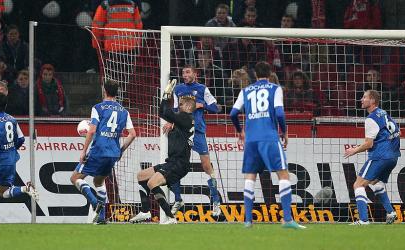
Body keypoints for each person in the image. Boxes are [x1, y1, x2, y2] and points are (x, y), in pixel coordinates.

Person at [230, 61, 305, 229]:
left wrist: (239, 130)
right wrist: (284, 131)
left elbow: (233, 113)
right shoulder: (275, 88)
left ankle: (248, 220)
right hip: (269, 137)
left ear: (255, 74)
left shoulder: (245, 90)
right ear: (270, 74)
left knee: (250, 177)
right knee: (283, 175)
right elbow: (279, 112)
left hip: (251, 140)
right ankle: (287, 219)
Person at [70, 79, 137, 224]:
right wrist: (120, 150)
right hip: (113, 153)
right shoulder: (124, 111)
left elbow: (92, 130)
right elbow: (132, 134)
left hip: (98, 150)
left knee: (75, 178)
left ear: (104, 90)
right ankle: (101, 218)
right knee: (98, 182)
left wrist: (83, 151)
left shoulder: (98, 108)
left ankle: (95, 204)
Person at [129, 81, 196, 224]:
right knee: (142, 176)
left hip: (179, 163)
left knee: (152, 183)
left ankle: (170, 218)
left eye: (181, 105)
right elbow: (164, 113)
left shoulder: (186, 118)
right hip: (173, 161)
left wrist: (166, 95)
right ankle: (145, 212)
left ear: (188, 107)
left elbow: (164, 112)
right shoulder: (183, 121)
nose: (179, 107)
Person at [166, 64, 222, 216]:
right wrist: (171, 121)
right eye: (183, 73)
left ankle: (216, 202)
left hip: (197, 131)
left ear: (195, 74)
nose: (184, 75)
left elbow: (217, 108)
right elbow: (176, 110)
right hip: (182, 131)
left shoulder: (202, 89)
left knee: (206, 166)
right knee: (175, 163)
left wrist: (200, 105)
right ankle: (177, 199)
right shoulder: (178, 90)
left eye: (187, 72)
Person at [0, 92, 38, 225]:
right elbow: (21, 138)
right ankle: (25, 189)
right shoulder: (12, 119)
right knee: (2, 192)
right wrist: (12, 149)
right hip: (11, 159)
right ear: (6, 104)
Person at [344, 90, 400, 225]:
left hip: (380, 156)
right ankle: (391, 212)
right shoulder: (383, 113)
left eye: (364, 97)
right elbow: (397, 132)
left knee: (358, 185)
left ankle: (363, 220)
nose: (361, 100)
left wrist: (354, 150)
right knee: (375, 183)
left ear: (372, 101)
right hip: (393, 156)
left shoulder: (371, 119)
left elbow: (369, 144)